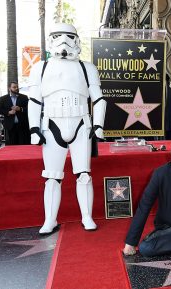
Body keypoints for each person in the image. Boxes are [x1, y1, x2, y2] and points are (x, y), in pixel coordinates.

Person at [27, 23, 107, 235]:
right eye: (58, 36)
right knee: (52, 176)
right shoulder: (40, 68)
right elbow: (34, 100)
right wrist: (34, 128)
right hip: (52, 124)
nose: (64, 41)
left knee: (84, 174)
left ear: (77, 40)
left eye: (69, 37)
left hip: (81, 123)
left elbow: (99, 99)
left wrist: (98, 125)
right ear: (51, 39)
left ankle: (87, 216)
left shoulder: (86, 67)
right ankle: (50, 219)